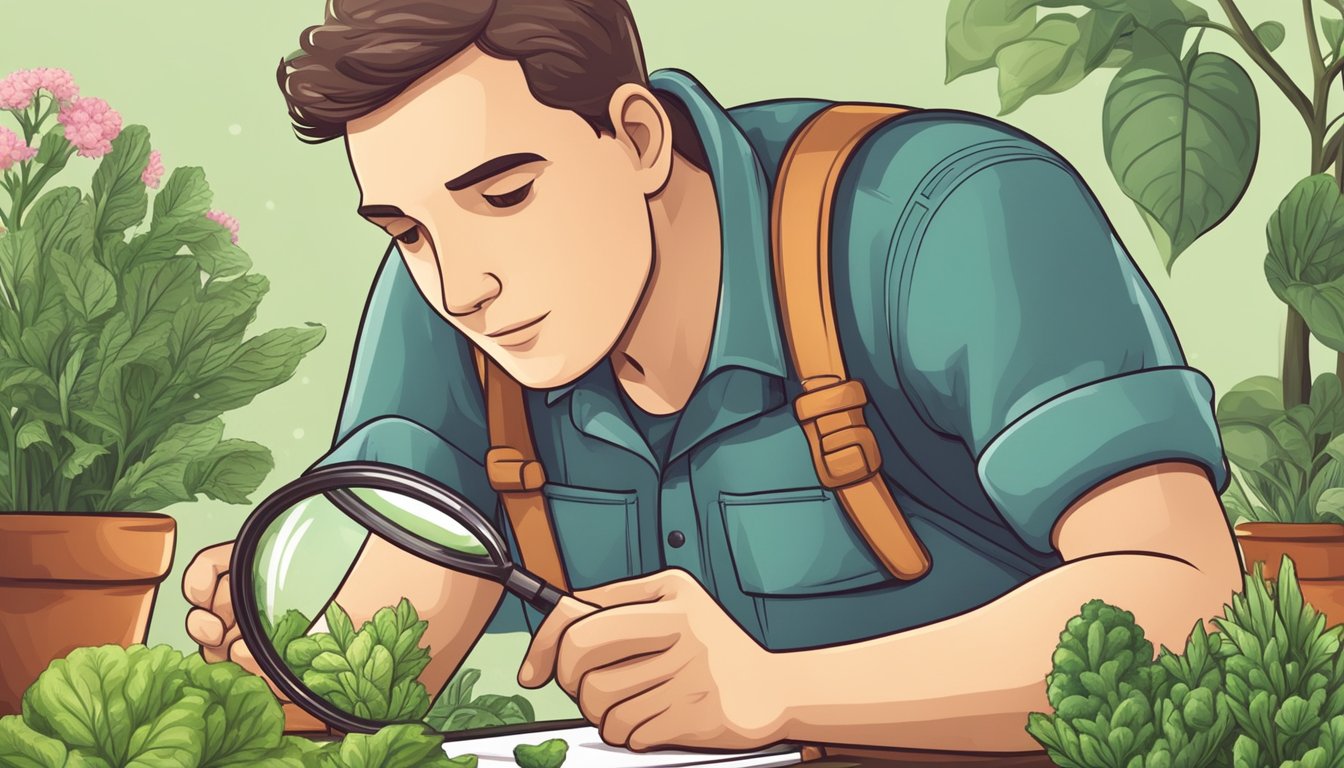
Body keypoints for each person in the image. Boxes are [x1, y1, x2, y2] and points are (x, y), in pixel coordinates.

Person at [182, 0, 1243, 756]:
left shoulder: (951, 217)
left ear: (637, 136)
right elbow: (397, 629)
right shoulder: (450, 299)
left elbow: (1187, 597)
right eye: (407, 229)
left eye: (504, 192)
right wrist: (284, 654)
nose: (461, 283)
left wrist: (782, 693)